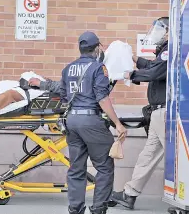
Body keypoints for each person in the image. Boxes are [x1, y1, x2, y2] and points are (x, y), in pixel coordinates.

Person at [61, 31, 127, 214]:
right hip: (91, 121)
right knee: (105, 166)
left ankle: (75, 209)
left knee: (76, 168)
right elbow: (102, 98)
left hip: (72, 121)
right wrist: (118, 124)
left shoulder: (68, 68)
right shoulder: (99, 68)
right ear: (97, 48)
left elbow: (63, 96)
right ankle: (99, 208)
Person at [111, 17, 169, 210]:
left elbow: (154, 73)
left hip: (165, 113)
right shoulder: (165, 52)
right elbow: (153, 67)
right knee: (148, 156)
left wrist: (130, 74)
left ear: (168, 32)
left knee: (175, 157)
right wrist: (135, 58)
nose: (156, 34)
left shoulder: (171, 50)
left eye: (160, 29)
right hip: (158, 114)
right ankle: (130, 195)